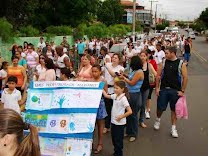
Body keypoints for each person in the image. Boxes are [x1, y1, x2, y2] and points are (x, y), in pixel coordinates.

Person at [154, 46, 188, 138]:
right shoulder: (163, 62)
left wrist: (182, 91)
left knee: (174, 110)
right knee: (160, 108)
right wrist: (157, 88)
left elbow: (185, 78)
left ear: (173, 53)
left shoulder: (181, 64)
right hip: (164, 89)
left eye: (167, 53)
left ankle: (173, 128)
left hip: (175, 91)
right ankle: (158, 119)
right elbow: (158, 76)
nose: (165, 54)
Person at [103, 81, 132, 156]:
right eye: (114, 88)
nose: (115, 89)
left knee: (118, 141)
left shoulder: (123, 99)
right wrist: (101, 88)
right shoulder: (115, 96)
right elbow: (106, 96)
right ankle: (116, 152)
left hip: (120, 124)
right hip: (113, 122)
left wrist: (121, 116)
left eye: (117, 88)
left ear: (122, 89)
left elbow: (130, 111)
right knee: (114, 139)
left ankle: (119, 153)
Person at [120, 56, 144, 142]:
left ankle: (134, 133)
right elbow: (131, 78)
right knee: (128, 114)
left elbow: (132, 83)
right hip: (130, 93)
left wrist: (124, 78)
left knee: (133, 115)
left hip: (135, 94)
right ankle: (129, 131)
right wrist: (125, 75)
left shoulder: (139, 72)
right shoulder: (134, 71)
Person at [103, 53, 124, 133]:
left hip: (115, 90)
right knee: (107, 108)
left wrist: (107, 67)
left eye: (116, 58)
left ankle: (116, 124)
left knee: (115, 108)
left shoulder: (120, 68)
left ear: (119, 60)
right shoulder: (108, 64)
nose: (114, 59)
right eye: (113, 57)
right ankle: (107, 126)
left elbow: (114, 75)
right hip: (106, 88)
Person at [91, 64, 108, 154]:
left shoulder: (103, 80)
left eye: (96, 71)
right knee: (92, 125)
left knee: (100, 125)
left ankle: (100, 144)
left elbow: (106, 92)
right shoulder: (91, 80)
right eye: (92, 71)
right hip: (91, 103)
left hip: (100, 103)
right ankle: (91, 143)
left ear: (100, 72)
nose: (94, 73)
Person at [139, 51, 157, 127]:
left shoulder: (149, 65)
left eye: (144, 56)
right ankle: (133, 119)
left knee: (143, 105)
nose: (142, 57)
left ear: (146, 57)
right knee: (138, 104)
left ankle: (141, 120)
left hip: (146, 88)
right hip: (137, 88)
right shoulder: (137, 65)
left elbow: (155, 74)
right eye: (141, 56)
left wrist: (158, 85)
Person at [146, 49, 158, 119]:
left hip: (150, 82)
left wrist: (157, 86)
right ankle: (145, 108)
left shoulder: (153, 62)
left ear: (149, 54)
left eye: (146, 54)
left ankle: (147, 110)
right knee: (144, 97)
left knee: (148, 97)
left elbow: (155, 72)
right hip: (143, 82)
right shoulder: (142, 62)